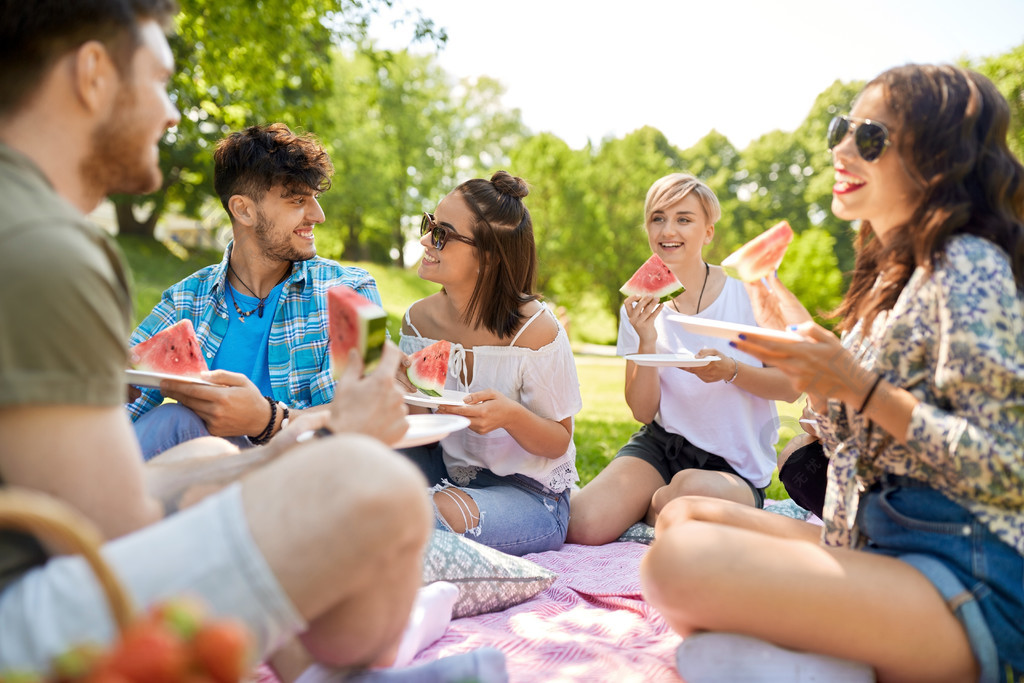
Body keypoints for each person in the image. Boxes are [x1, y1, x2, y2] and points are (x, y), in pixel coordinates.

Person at [0, 1, 434, 676]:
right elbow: (120, 536)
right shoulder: (64, 253)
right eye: (162, 80)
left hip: (39, 537)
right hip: (26, 611)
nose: (173, 114)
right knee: (379, 486)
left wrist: (265, 430)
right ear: (93, 74)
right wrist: (328, 444)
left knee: (198, 446)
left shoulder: (346, 290)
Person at [641, 64, 1024, 683]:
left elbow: (1005, 466)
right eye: (841, 129)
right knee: (681, 520)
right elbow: (865, 428)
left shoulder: (968, 266)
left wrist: (854, 384)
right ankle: (810, 662)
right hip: (877, 544)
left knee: (678, 564)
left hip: (960, 576)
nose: (842, 148)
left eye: (869, 137)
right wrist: (824, 383)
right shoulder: (892, 276)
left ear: (937, 161)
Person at [566, 173, 799, 546]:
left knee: (686, 491)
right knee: (583, 526)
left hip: (732, 466)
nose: (667, 229)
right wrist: (646, 338)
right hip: (662, 446)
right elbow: (643, 411)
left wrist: (732, 371)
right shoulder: (639, 307)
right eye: (657, 218)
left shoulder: (750, 296)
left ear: (708, 231)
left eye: (684, 218)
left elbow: (790, 388)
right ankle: (661, 504)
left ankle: (659, 503)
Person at [127, 122, 384, 460]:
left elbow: (370, 418)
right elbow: (124, 393)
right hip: (208, 478)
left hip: (312, 480)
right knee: (170, 419)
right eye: (297, 200)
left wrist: (267, 420)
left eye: (315, 199)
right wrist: (114, 383)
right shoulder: (186, 299)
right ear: (243, 209)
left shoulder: (356, 291)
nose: (318, 216)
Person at [398, 171, 582, 556]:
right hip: (447, 473)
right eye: (429, 224)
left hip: (532, 496)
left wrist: (510, 417)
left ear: (489, 257)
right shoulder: (418, 320)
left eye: (442, 234)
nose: (424, 240)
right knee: (350, 476)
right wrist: (398, 385)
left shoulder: (536, 332)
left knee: (417, 517)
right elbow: (421, 422)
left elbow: (558, 441)